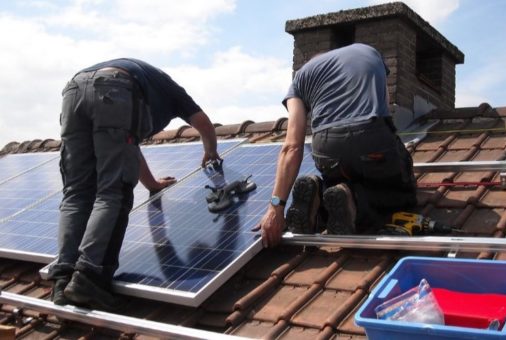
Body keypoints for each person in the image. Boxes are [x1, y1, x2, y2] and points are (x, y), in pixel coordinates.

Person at [49, 58, 221, 310]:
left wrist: (151, 184)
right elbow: (204, 124)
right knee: (113, 193)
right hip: (114, 88)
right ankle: (89, 278)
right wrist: (211, 152)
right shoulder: (173, 92)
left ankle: (62, 281)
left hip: (74, 90)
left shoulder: (149, 84)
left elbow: (127, 148)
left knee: (76, 193)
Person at [258, 43, 417, 248]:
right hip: (371, 136)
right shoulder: (368, 51)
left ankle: (319, 193)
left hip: (327, 148)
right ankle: (356, 205)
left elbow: (292, 146)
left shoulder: (300, 78)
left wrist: (276, 207)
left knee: (340, 178)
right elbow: (384, 106)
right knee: (402, 192)